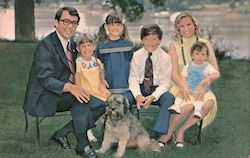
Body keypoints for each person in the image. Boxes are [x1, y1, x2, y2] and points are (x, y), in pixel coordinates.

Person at [23, 7, 104, 158]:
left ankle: (62, 133)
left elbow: (83, 64)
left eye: (74, 23)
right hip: (44, 96)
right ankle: (83, 145)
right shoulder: (45, 46)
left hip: (64, 92)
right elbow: (45, 79)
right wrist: (71, 88)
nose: (70, 26)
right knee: (80, 100)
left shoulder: (72, 44)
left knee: (100, 105)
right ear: (56, 23)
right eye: (66, 21)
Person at [158, 12, 219, 148]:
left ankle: (181, 131)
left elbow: (214, 70)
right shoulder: (173, 45)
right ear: (177, 28)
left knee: (209, 103)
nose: (186, 29)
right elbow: (173, 73)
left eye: (189, 25)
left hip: (201, 86)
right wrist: (183, 86)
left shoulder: (205, 43)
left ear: (195, 25)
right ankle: (167, 133)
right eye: (182, 26)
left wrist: (203, 85)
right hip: (180, 86)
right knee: (188, 106)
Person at [129, 24, 175, 140]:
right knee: (123, 98)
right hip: (140, 88)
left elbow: (165, 83)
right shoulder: (137, 55)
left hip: (156, 89)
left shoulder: (165, 57)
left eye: (154, 39)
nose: (150, 42)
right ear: (141, 40)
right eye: (147, 39)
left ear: (159, 40)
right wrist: (138, 95)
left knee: (169, 98)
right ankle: (124, 133)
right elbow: (133, 78)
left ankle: (156, 133)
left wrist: (153, 97)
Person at [168, 41, 220, 119]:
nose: (200, 57)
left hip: (200, 87)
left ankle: (197, 110)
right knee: (181, 91)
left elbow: (217, 74)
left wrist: (208, 78)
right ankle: (176, 106)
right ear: (192, 55)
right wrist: (185, 85)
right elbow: (184, 76)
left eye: (203, 54)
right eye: (197, 54)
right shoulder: (188, 66)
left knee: (201, 94)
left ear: (206, 56)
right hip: (189, 86)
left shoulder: (207, 66)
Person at [75, 33, 111, 143]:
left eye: (89, 45)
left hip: (98, 90)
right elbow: (77, 80)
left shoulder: (97, 61)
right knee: (89, 108)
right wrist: (80, 91)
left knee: (111, 105)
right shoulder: (78, 63)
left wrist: (103, 83)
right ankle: (88, 130)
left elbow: (100, 76)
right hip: (87, 92)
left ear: (94, 47)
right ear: (78, 49)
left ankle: (109, 132)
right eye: (83, 46)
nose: (86, 48)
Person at [96, 12, 134, 108]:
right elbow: (98, 67)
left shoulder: (128, 44)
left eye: (118, 25)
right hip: (107, 89)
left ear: (122, 26)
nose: (115, 28)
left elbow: (132, 66)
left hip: (126, 88)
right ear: (106, 26)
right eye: (112, 25)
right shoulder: (100, 45)